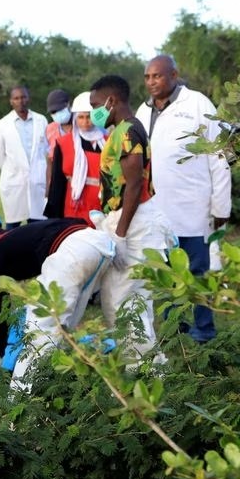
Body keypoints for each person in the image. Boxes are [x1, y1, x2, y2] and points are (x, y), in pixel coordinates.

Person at [135, 54, 231, 343]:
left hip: (193, 209)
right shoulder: (143, 111)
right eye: (148, 77)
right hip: (158, 214)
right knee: (166, 275)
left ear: (174, 75)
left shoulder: (198, 104)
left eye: (158, 76)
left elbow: (220, 156)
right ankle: (175, 330)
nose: (152, 82)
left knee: (197, 273)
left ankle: (204, 331)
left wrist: (221, 205)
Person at [0, 214, 114, 390]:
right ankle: (61, 382)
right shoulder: (20, 236)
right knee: (63, 328)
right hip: (100, 243)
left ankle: (19, 404)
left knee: (38, 331)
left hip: (72, 251)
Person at [89, 75, 175, 358]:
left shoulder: (127, 131)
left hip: (133, 223)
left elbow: (135, 183)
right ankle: (143, 367)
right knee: (126, 300)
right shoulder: (123, 129)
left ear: (111, 101)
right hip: (129, 218)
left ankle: (147, 371)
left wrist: (121, 233)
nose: (94, 113)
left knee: (125, 302)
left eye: (96, 105)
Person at [44, 92, 106, 225]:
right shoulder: (63, 143)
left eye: (89, 117)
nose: (85, 122)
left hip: (101, 209)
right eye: (81, 117)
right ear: (75, 118)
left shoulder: (107, 142)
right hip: (74, 208)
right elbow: (57, 182)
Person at [0, 86, 49, 229]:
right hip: (14, 182)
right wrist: (13, 170)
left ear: (28, 98)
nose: (20, 101)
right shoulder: (2, 125)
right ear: (11, 101)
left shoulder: (41, 120)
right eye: (16, 98)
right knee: (12, 227)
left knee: (39, 226)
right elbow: (0, 155)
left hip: (38, 180)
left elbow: (46, 151)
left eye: (23, 97)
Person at [44, 88, 73, 195]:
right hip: (59, 186)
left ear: (68, 105)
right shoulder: (50, 130)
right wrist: (48, 190)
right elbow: (50, 162)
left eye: (59, 110)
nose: (57, 114)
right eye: (53, 112)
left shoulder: (83, 125)